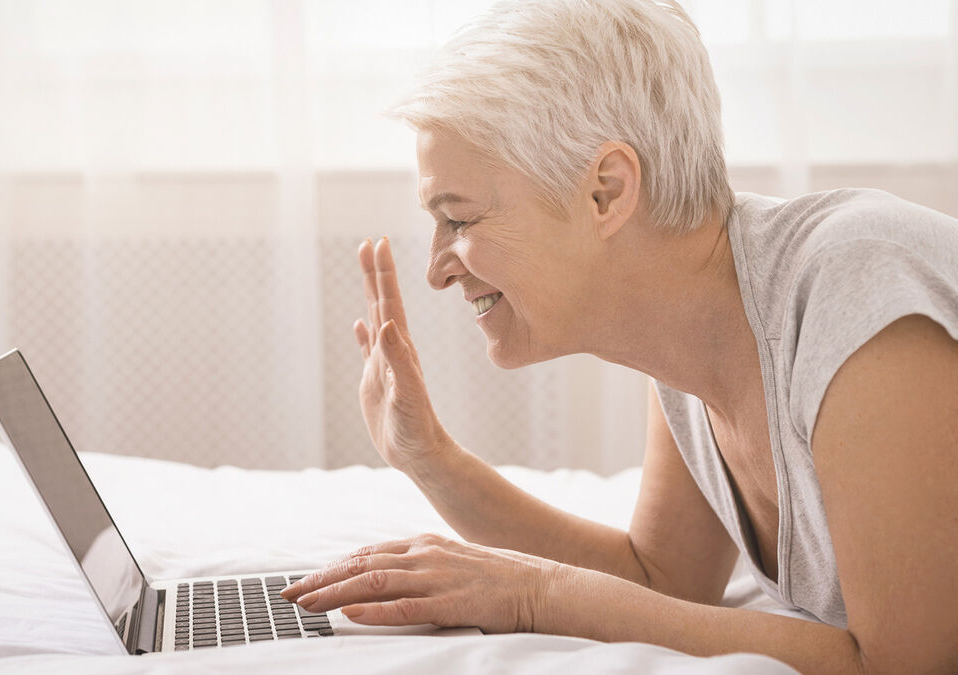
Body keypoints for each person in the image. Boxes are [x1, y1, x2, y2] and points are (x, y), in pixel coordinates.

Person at [279, 0, 958, 671]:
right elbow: (662, 579)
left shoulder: (855, 292)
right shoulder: (697, 328)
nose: (435, 270)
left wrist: (535, 593)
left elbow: (902, 662)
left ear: (605, 191)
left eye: (459, 220)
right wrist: (428, 456)